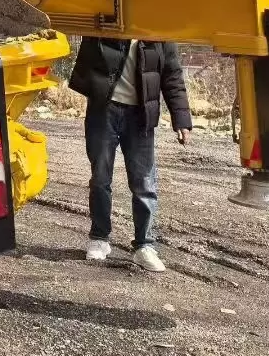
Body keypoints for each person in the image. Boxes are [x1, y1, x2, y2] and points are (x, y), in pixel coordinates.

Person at [68, 36, 192, 272]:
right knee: (101, 178)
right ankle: (99, 238)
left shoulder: (159, 33)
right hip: (104, 111)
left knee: (144, 184)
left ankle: (144, 246)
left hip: (141, 117)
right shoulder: (106, 25)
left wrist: (181, 120)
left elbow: (172, 75)